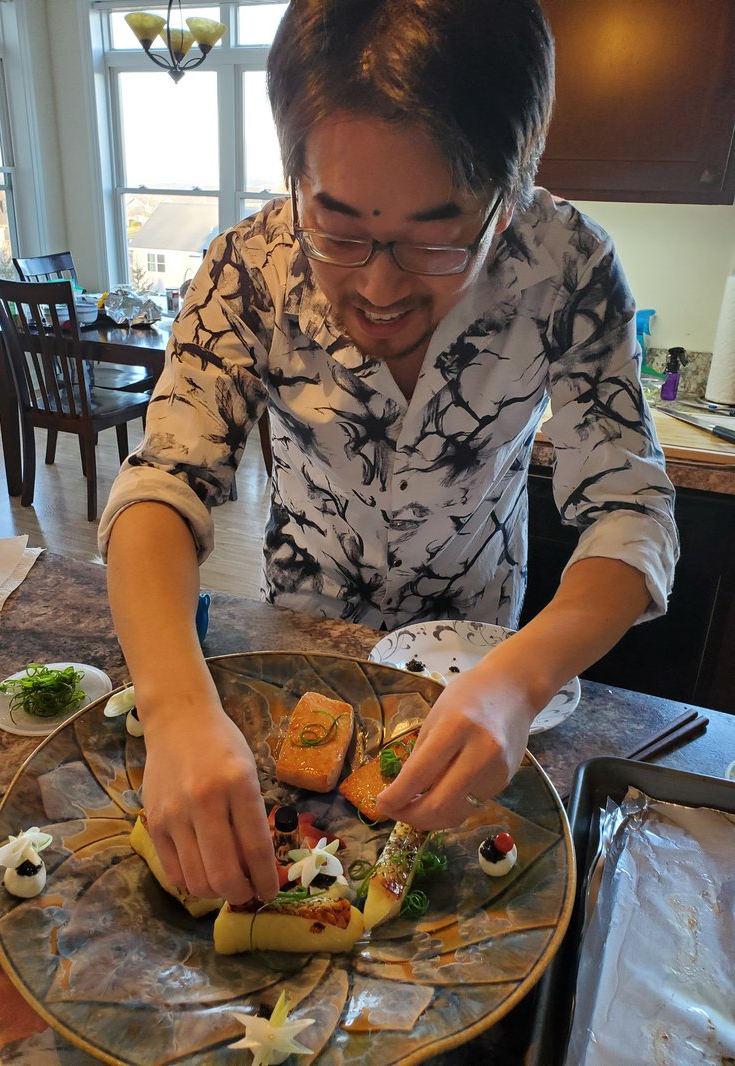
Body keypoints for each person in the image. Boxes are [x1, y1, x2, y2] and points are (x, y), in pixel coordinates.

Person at [99, 0, 678, 907]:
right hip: (302, 643)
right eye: (337, 228)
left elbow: (631, 507)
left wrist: (521, 682)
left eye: (435, 236)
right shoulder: (248, 267)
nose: (377, 286)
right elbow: (162, 482)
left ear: (511, 188)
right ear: (296, 175)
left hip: (481, 649)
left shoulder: (569, 266)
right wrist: (174, 705)